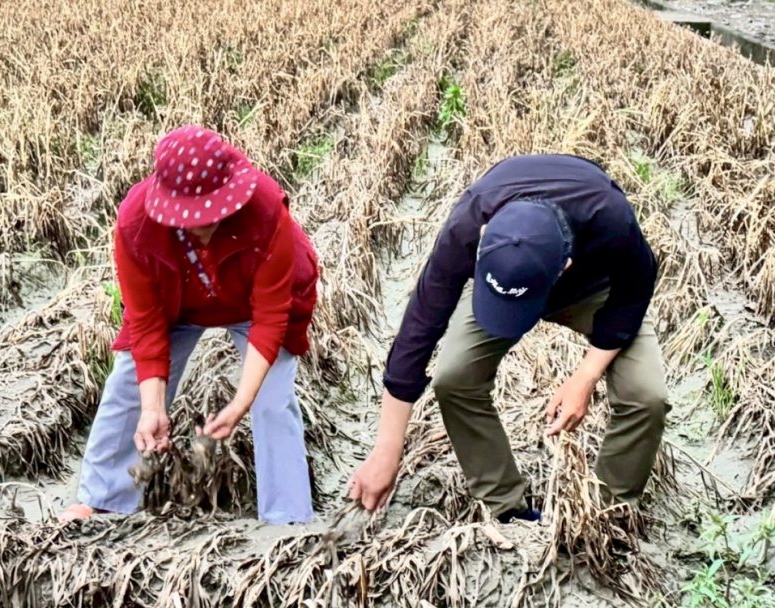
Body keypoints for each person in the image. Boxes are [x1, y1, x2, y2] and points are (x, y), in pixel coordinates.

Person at [348, 153, 670, 523]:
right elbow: (418, 330)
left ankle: (604, 517)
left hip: (594, 290)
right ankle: (506, 510)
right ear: (483, 240)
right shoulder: (468, 226)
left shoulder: (609, 215)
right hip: (499, 284)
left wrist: (585, 376)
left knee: (646, 396)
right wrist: (387, 451)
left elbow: (635, 291)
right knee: (455, 377)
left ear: (565, 266)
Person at [59, 125, 319, 525]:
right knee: (128, 382)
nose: (204, 226)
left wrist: (239, 404)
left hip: (253, 303)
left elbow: (269, 318)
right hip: (176, 303)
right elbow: (145, 322)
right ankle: (103, 498)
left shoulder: (266, 209)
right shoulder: (134, 223)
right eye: (193, 217)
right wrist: (153, 408)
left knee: (272, 399)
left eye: (215, 212)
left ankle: (287, 516)